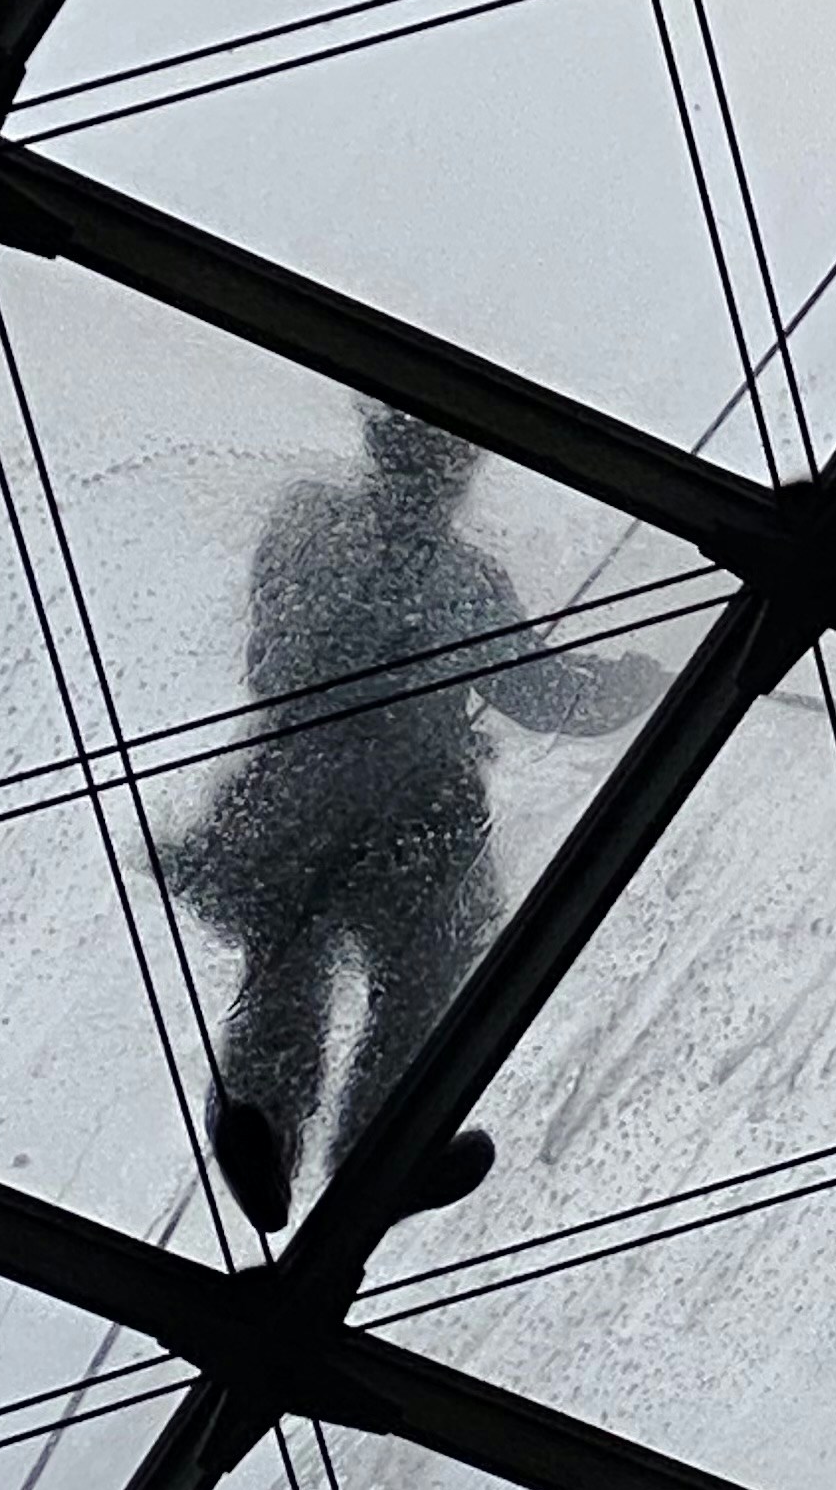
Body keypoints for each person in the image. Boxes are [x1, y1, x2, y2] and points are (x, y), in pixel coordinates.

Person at [164, 407, 666, 1238]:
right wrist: (629, 686)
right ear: (452, 474)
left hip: (301, 784)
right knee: (420, 967)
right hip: (411, 811)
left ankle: (265, 1116)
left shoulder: (307, 521)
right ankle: (377, 1139)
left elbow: (272, 654)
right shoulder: (459, 576)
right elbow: (540, 693)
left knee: (294, 955)